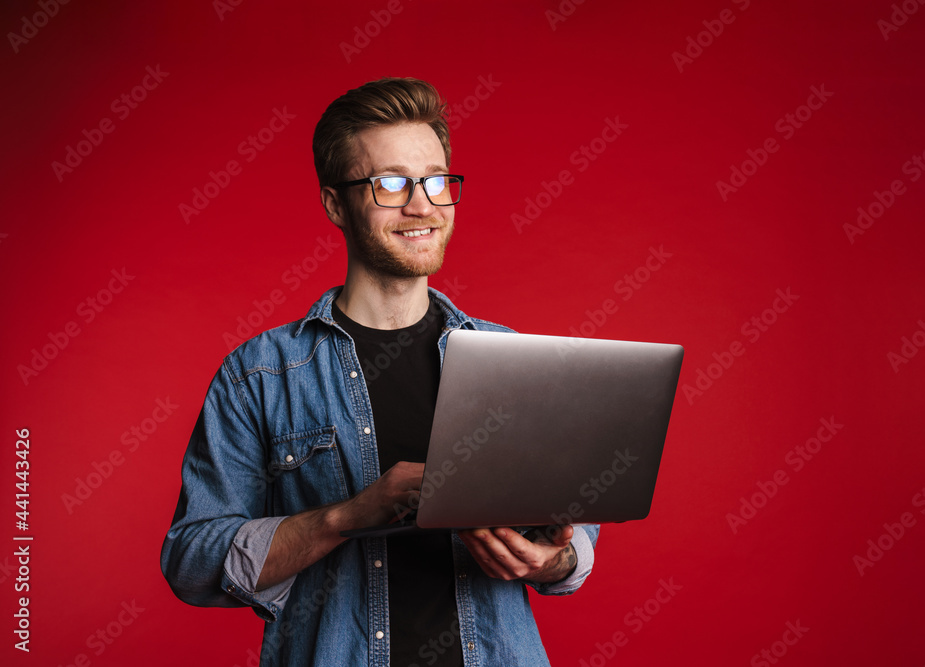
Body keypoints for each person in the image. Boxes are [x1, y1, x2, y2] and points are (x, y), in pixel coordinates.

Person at [161, 77, 599, 666]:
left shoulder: (513, 360)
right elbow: (191, 562)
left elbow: (573, 538)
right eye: (390, 183)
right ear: (335, 203)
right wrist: (348, 516)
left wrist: (555, 560)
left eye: (436, 180)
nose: (422, 205)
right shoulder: (259, 374)